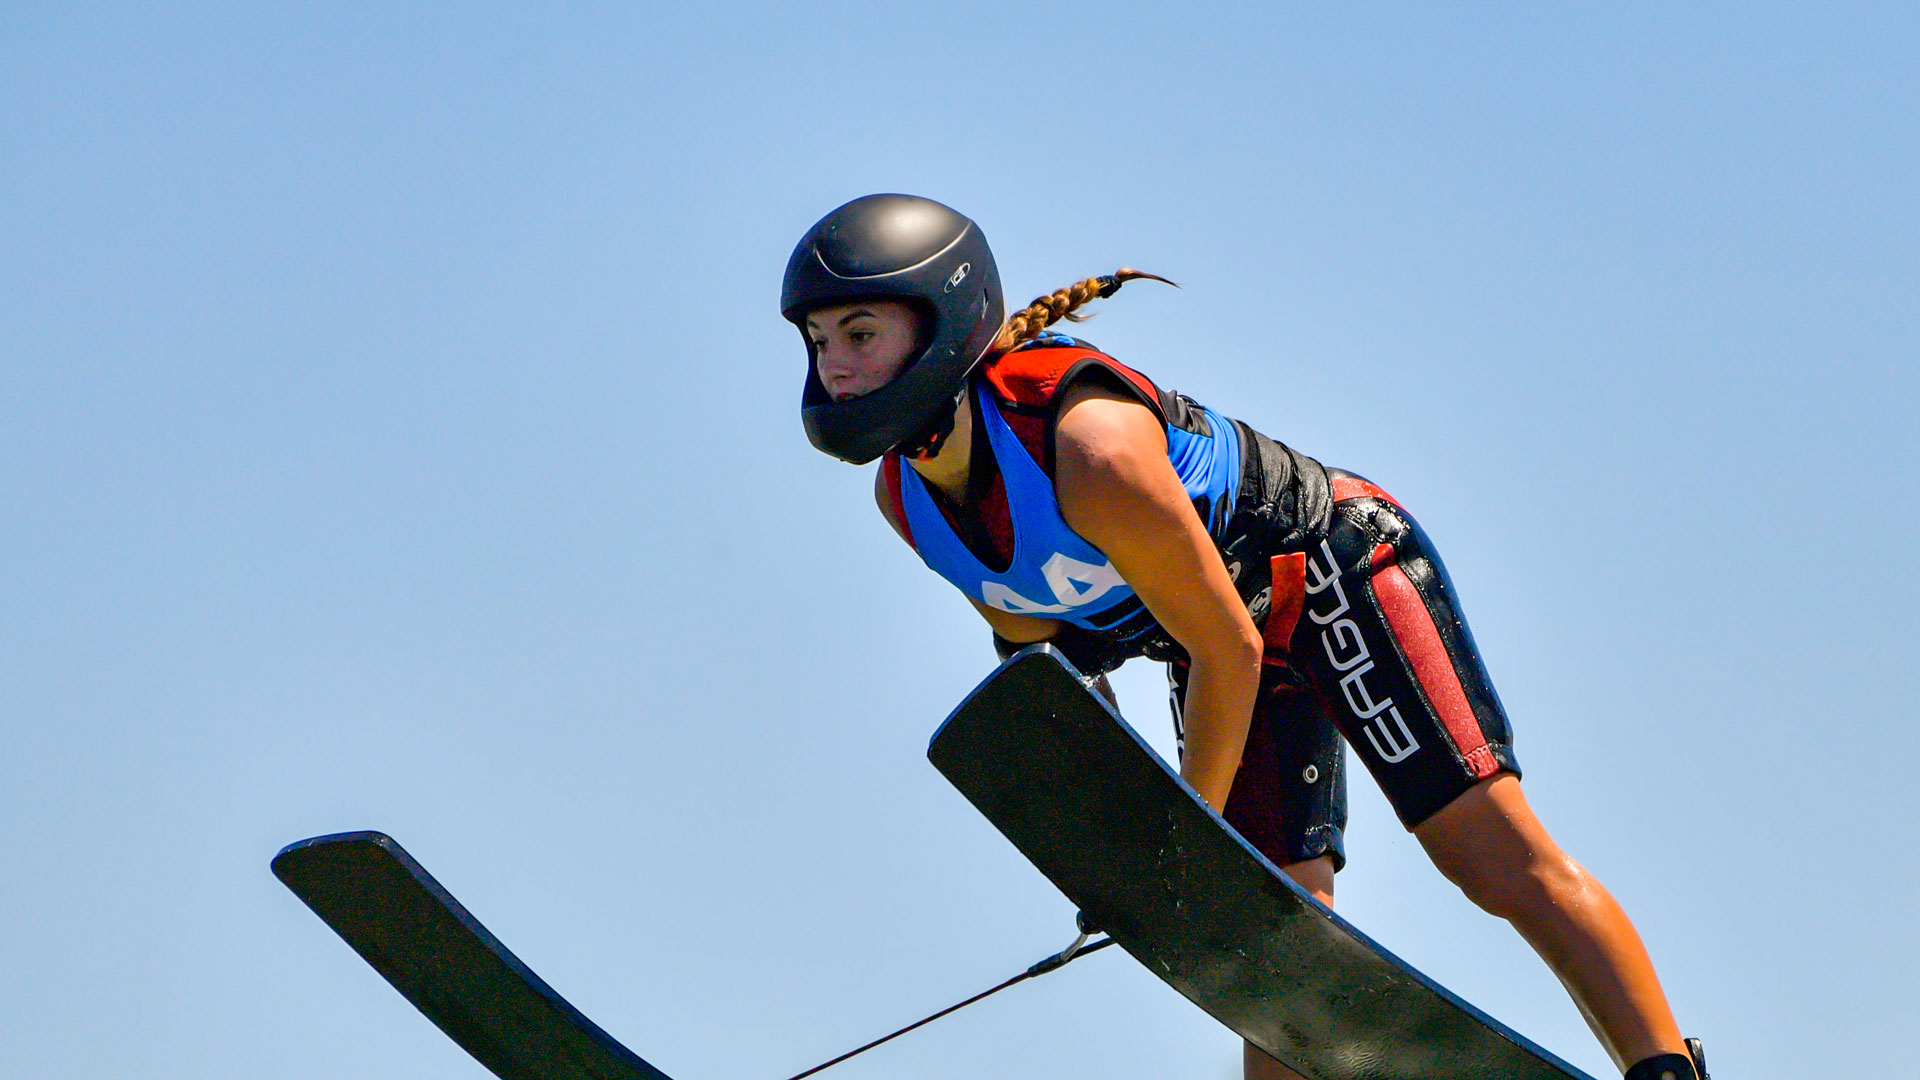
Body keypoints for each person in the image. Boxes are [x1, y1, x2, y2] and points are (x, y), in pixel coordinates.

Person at [780, 193, 1707, 1080]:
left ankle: (1662, 1068)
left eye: (861, 336)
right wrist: (1111, 847)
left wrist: (1183, 844)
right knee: (1279, 946)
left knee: (1487, 856)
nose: (837, 369)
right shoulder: (908, 502)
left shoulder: (1091, 448)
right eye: (821, 343)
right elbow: (1054, 674)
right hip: (1223, 640)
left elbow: (1228, 647)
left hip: (1335, 567)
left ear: (944, 325)